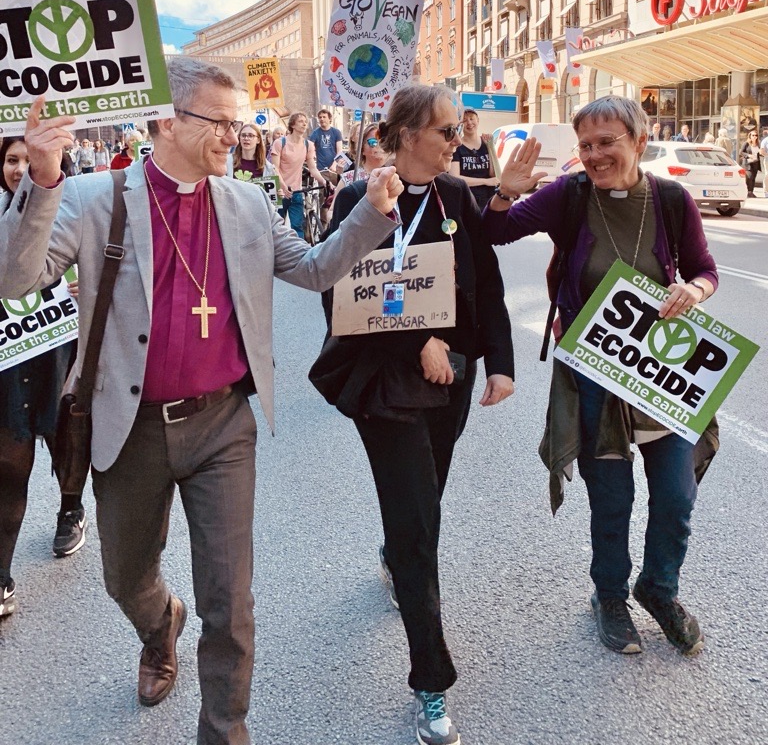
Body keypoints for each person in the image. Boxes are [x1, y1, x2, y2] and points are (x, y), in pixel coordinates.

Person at [0, 58, 401, 745]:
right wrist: (41, 181)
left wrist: (372, 211)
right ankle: (161, 627)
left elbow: (314, 269)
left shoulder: (248, 202)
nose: (234, 136)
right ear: (165, 120)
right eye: (218, 122)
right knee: (125, 578)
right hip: (129, 427)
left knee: (230, 600)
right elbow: (15, 279)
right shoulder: (93, 197)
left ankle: (224, 729)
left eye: (236, 123)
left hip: (222, 425)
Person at [483, 96, 718, 658]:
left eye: (607, 142)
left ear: (639, 141)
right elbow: (495, 231)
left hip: (658, 370)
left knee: (676, 494)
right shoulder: (569, 195)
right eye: (585, 145)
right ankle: (609, 596)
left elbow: (705, 270)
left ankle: (659, 589)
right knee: (611, 495)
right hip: (593, 368)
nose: (594, 155)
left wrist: (694, 290)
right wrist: (505, 192)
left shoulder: (671, 200)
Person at [315, 84, 513, 745]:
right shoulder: (359, 197)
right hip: (386, 380)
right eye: (446, 131)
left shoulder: (457, 195)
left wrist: (499, 362)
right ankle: (431, 679)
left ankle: (398, 553)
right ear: (405, 136)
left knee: (424, 502)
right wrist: (414, 341)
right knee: (417, 526)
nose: (458, 141)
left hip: (450, 378)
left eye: (457, 130)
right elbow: (338, 295)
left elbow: (486, 283)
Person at [0, 138, 84, 621]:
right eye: (12, 160)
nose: (20, 169)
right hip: (9, 358)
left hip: (59, 351)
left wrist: (86, 280)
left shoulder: (74, 209)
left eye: (29, 159)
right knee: (9, 462)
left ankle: (71, 508)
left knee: (64, 438)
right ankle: (2, 575)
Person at [270, 111, 328, 236]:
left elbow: (313, 168)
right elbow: (274, 168)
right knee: (276, 227)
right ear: (293, 125)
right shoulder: (280, 143)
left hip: (296, 191)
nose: (304, 124)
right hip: (279, 191)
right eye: (301, 121)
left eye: (305, 122)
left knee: (298, 226)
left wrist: (324, 181)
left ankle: (299, 248)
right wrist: (283, 186)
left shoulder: (308, 145)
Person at [449, 108, 498, 209]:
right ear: (460, 124)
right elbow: (454, 177)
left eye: (472, 119)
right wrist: (485, 181)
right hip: (466, 199)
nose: (469, 123)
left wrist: (490, 147)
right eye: (465, 120)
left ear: (478, 121)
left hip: (488, 198)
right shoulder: (457, 146)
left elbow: (493, 174)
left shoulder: (486, 143)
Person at [740, 129, 763, 198]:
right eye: (753, 135)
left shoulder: (758, 144)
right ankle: (747, 192)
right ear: (750, 136)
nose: (755, 136)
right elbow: (741, 152)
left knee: (753, 178)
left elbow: (760, 153)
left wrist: (761, 153)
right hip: (748, 164)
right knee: (749, 177)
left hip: (755, 163)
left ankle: (751, 192)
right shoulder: (746, 143)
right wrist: (749, 155)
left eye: (756, 135)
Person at [760, 127, 768, 197]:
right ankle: (766, 191)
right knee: (767, 175)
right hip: (767, 160)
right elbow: (761, 151)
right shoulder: (765, 140)